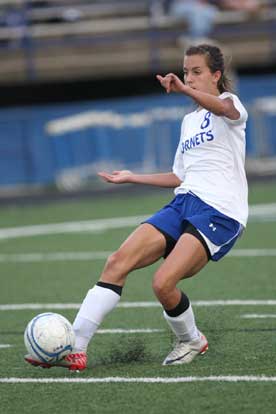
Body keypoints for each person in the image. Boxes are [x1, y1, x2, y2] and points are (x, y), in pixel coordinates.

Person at [25, 43, 248, 371]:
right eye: (186, 71)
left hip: (219, 211)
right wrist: (132, 177)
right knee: (117, 262)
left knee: (162, 284)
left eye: (197, 72)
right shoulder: (188, 123)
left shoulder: (231, 105)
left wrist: (184, 89)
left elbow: (222, 108)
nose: (189, 77)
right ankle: (75, 347)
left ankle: (191, 339)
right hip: (183, 202)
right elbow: (178, 175)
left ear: (216, 75)